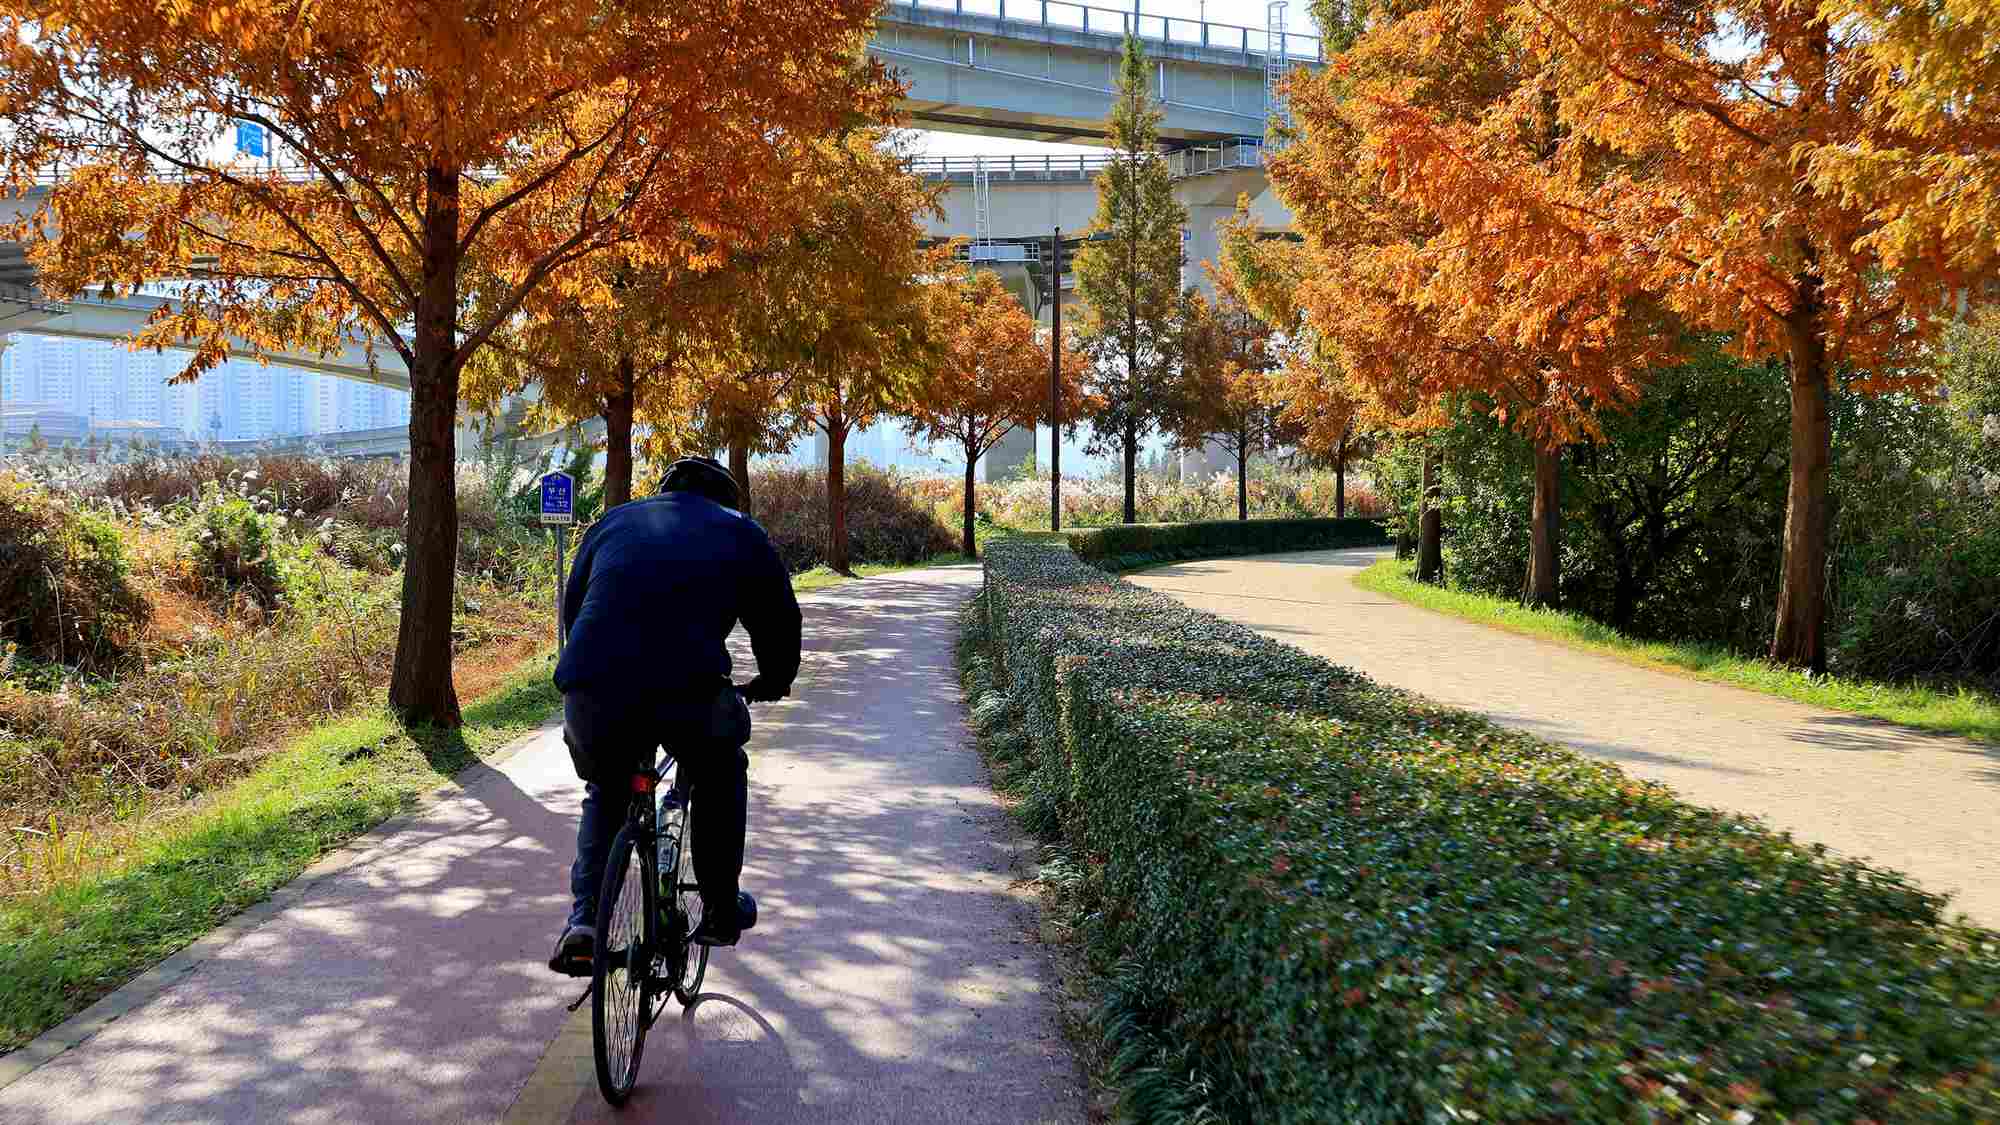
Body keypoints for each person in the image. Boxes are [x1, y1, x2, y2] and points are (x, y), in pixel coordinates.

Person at [548, 456, 801, 976]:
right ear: (726, 501)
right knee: (720, 768)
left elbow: (575, 612)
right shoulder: (738, 531)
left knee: (608, 789)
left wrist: (594, 674)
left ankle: (584, 924)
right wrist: (773, 680)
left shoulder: (613, 521)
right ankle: (719, 908)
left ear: (663, 491)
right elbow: (778, 620)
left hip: (592, 687)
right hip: (688, 690)